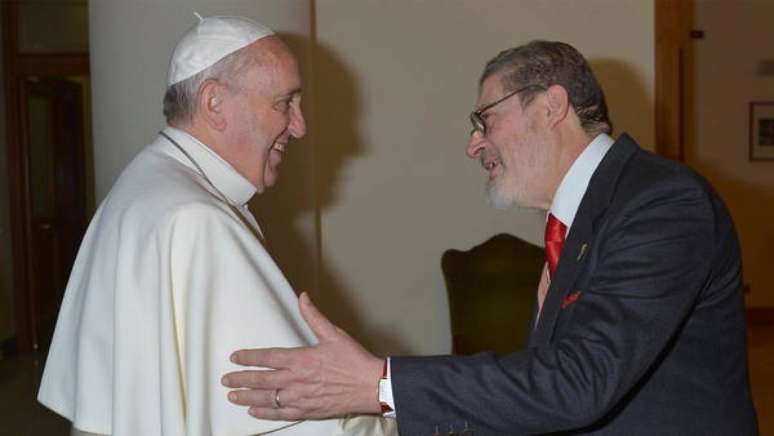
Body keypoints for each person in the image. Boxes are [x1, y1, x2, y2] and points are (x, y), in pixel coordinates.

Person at [222, 40, 759, 434]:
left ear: (550, 106)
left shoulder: (661, 201)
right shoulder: (582, 220)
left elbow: (581, 382)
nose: (473, 144)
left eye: (484, 119)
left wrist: (380, 385)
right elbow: (546, 389)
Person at [38, 15, 394, 436]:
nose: (299, 126)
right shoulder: (197, 218)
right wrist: (398, 413)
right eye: (284, 103)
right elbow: (304, 421)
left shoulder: (144, 182)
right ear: (214, 103)